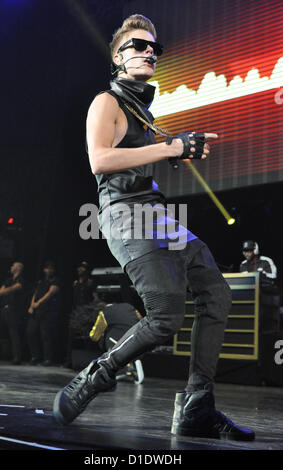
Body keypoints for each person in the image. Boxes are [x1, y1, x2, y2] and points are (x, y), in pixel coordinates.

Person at [53, 14, 255, 441]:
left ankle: (197, 406)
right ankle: (96, 375)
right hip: (125, 216)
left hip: (157, 215)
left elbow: (148, 158)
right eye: (139, 46)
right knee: (165, 317)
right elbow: (100, 161)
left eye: (154, 48)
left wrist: (176, 148)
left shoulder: (142, 112)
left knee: (216, 293)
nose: (149, 52)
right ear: (117, 57)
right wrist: (171, 146)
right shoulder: (106, 101)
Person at [0, 261, 25, 364]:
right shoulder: (8, 280)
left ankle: (17, 357)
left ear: (18, 268)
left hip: (13, 309)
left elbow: (11, 289)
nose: (11, 267)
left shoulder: (21, 280)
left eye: (13, 265)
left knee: (13, 333)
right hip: (3, 309)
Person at [240, 240, 279, 330]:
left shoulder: (266, 261)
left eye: (249, 251)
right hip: (251, 293)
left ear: (255, 250)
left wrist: (260, 275)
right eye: (245, 251)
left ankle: (261, 328)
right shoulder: (243, 264)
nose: (247, 254)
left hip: (266, 291)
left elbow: (273, 276)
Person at [27, 260, 60, 366]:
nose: (49, 270)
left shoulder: (56, 281)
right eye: (47, 268)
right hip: (37, 312)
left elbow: (50, 294)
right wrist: (32, 305)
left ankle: (47, 359)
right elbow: (35, 293)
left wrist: (38, 303)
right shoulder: (41, 281)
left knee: (46, 336)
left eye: (51, 268)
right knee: (31, 332)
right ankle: (35, 356)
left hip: (48, 312)